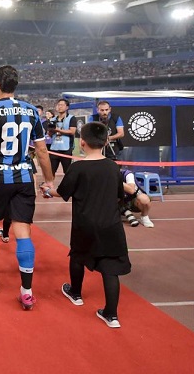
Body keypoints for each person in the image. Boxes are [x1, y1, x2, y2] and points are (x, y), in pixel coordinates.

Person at [0, 65, 55, 310]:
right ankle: (26, 291)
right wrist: (49, 180)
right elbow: (41, 150)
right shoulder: (31, 110)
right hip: (24, 178)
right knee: (23, 232)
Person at [43, 121, 131, 329]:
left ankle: (75, 292)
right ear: (105, 141)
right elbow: (119, 194)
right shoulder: (112, 166)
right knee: (110, 268)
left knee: (78, 255)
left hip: (85, 223)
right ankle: (111, 314)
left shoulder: (78, 167)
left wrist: (47, 189)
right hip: (111, 224)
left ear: (82, 143)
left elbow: (63, 192)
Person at [49, 98, 77, 174]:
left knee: (67, 172)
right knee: (51, 171)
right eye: (58, 105)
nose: (59, 107)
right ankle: (50, 185)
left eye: (62, 105)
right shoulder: (53, 119)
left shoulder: (71, 118)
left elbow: (72, 131)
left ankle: (68, 186)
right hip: (54, 148)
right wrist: (50, 131)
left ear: (67, 107)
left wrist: (58, 130)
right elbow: (50, 135)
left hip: (66, 149)